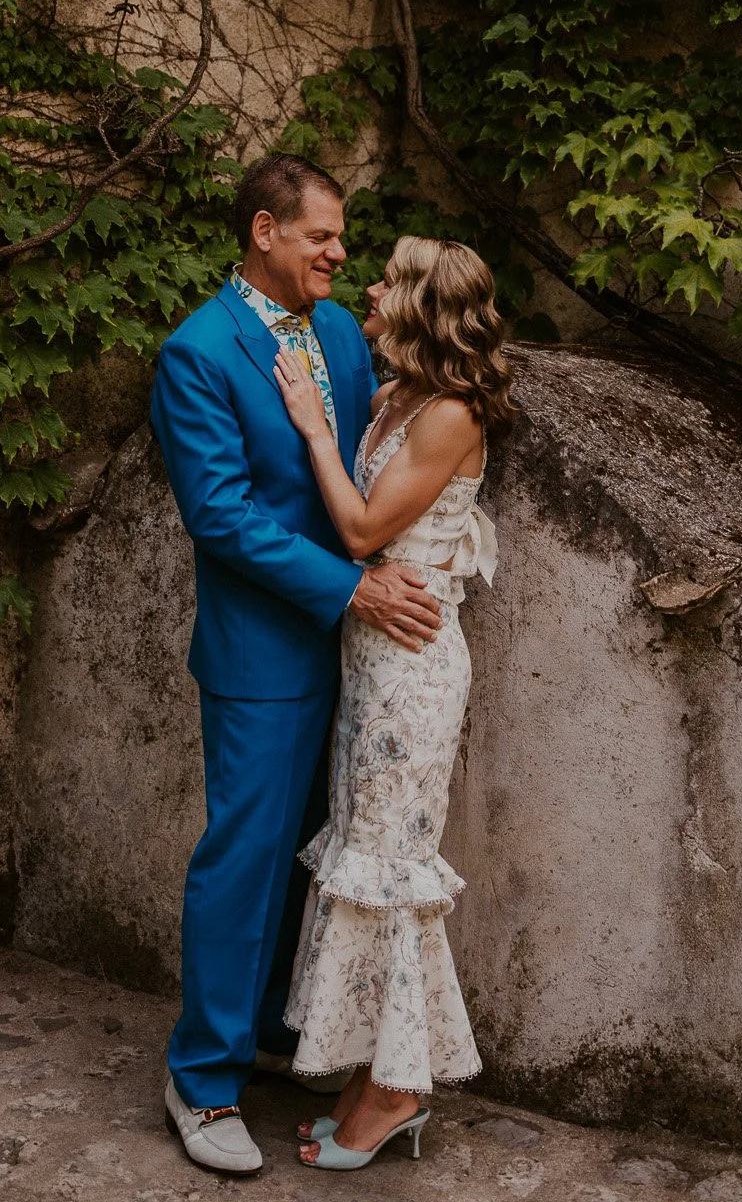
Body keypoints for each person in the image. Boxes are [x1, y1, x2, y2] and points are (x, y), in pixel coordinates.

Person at [153, 156, 445, 1178]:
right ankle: (202, 1077)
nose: (338, 252)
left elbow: (371, 456)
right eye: (321, 235)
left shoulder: (333, 331)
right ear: (265, 230)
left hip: (366, 651)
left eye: (342, 236)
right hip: (265, 649)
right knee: (245, 855)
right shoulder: (197, 351)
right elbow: (220, 513)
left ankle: (278, 1032)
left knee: (319, 851)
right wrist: (350, 587)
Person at [272, 235, 513, 1173]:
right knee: (361, 859)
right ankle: (373, 1070)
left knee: (390, 865)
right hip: (368, 659)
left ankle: (400, 1086)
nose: (367, 285)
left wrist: (311, 429)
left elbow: (366, 525)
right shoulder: (395, 395)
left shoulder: (451, 413)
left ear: (418, 304)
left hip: (412, 669)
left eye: (386, 279)